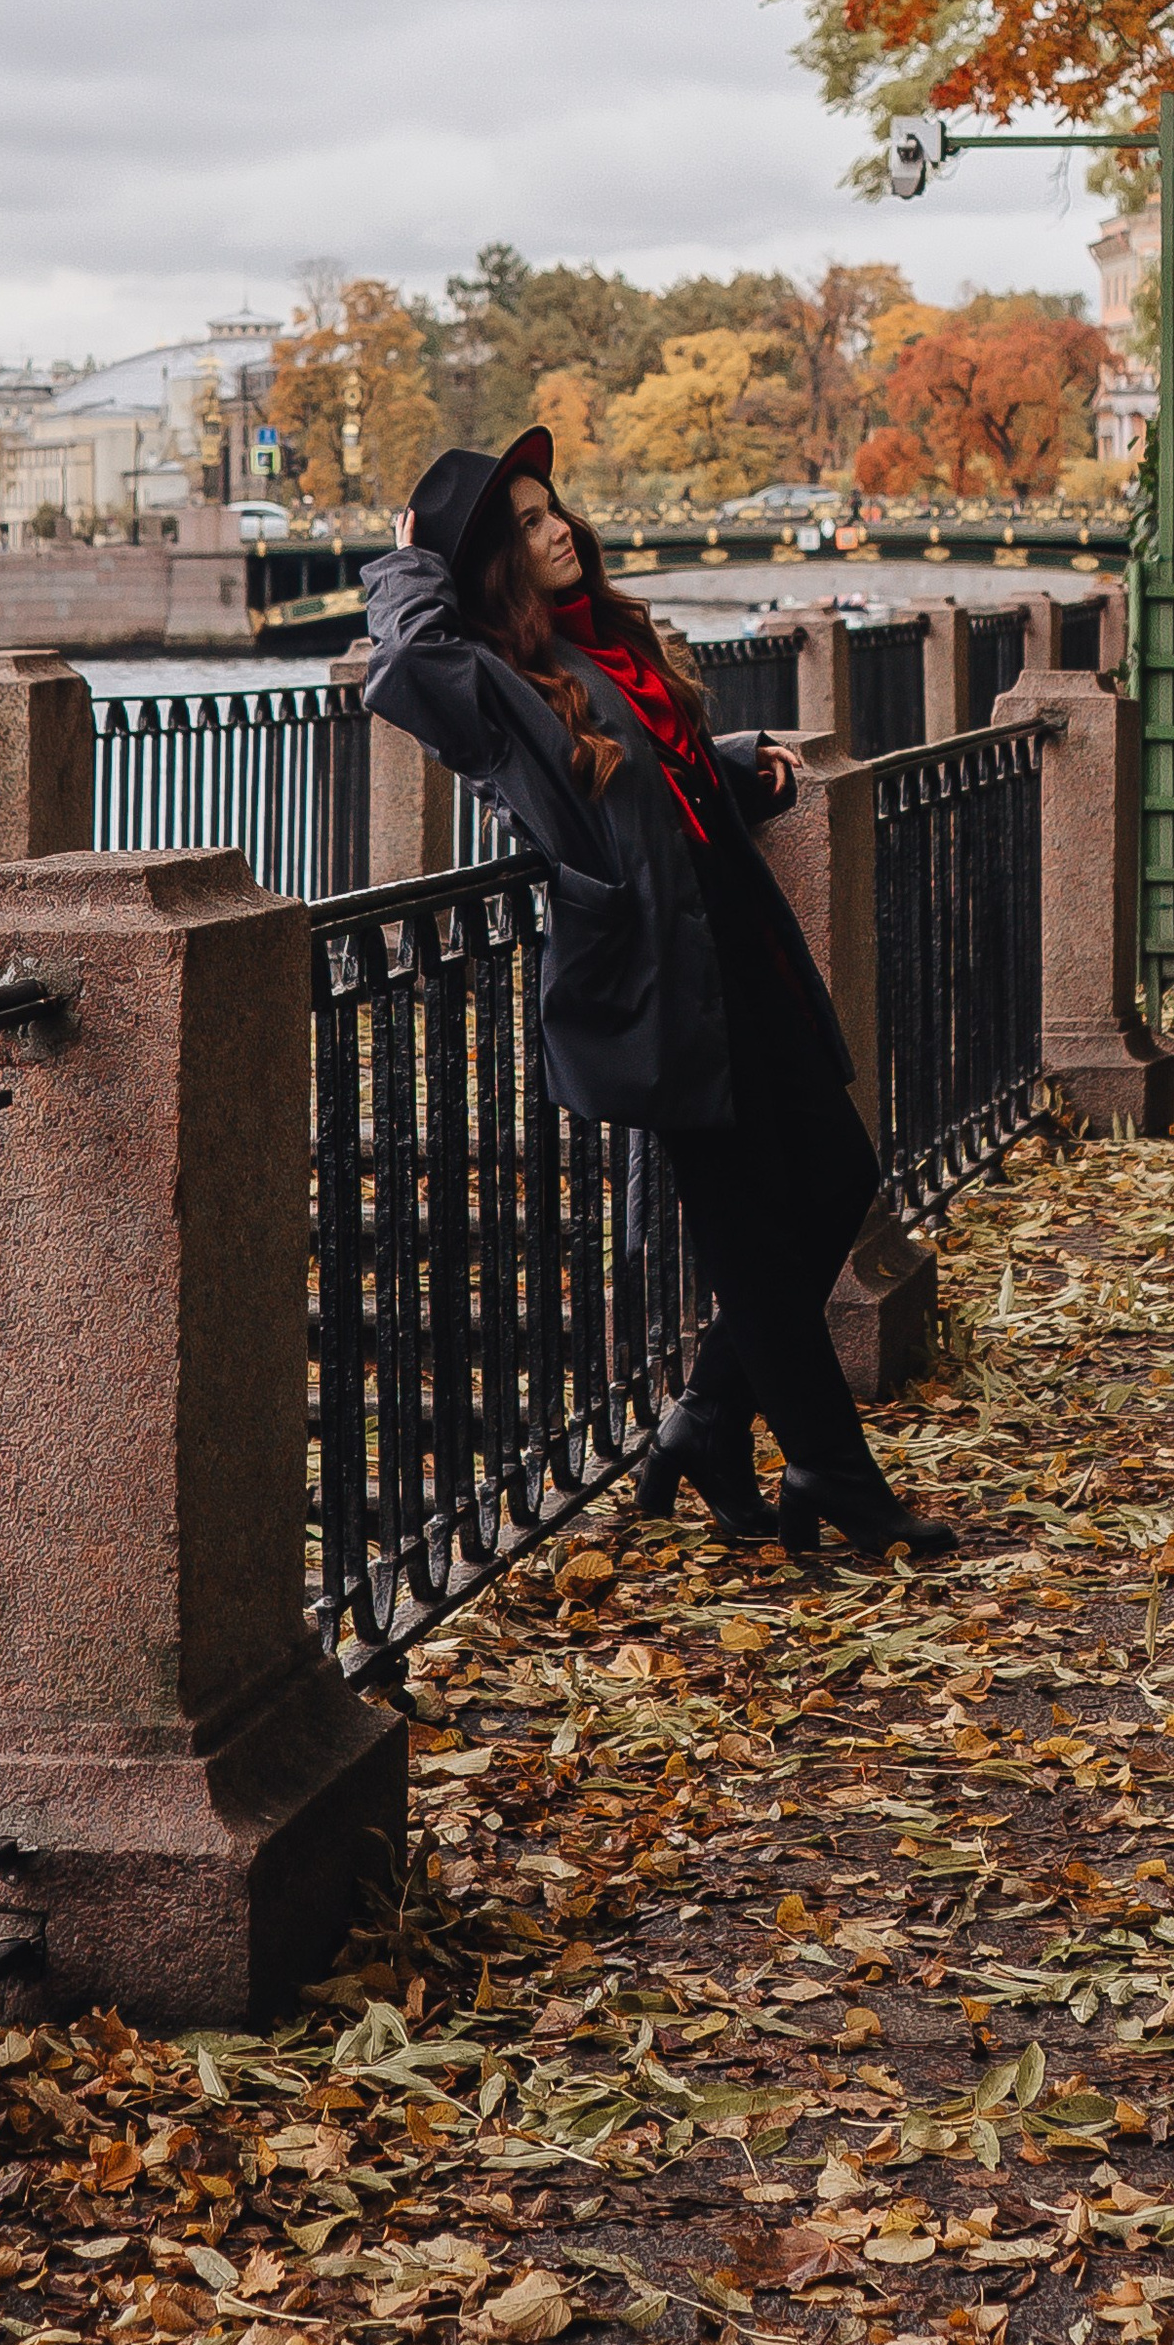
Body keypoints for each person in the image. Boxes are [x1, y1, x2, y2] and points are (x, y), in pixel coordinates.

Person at [361, 428, 953, 1560]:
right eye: (526, 525)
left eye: (553, 510)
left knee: (836, 1178)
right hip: (651, 985)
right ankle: (831, 1468)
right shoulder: (491, 682)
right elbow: (404, 666)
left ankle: (707, 1418)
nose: (557, 531)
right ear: (488, 561)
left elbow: (642, 772)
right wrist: (404, 564)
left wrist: (729, 766)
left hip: (737, 951)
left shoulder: (603, 647)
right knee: (744, 1233)